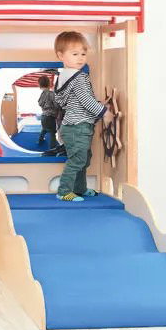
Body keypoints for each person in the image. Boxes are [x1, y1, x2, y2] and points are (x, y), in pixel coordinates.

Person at [51, 31, 113, 202]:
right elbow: (85, 100)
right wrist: (104, 112)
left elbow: (71, 101)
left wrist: (99, 104)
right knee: (78, 160)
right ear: (60, 56)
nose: (80, 58)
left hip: (73, 126)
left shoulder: (62, 78)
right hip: (78, 127)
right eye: (75, 54)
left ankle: (79, 188)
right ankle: (64, 191)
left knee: (83, 159)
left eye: (83, 54)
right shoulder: (79, 78)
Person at [36, 75, 59, 148]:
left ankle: (40, 140)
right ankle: (52, 148)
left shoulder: (42, 94)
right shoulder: (51, 93)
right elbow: (56, 105)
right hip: (50, 117)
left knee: (44, 129)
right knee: (52, 133)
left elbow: (40, 103)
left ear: (40, 85)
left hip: (43, 116)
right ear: (49, 84)